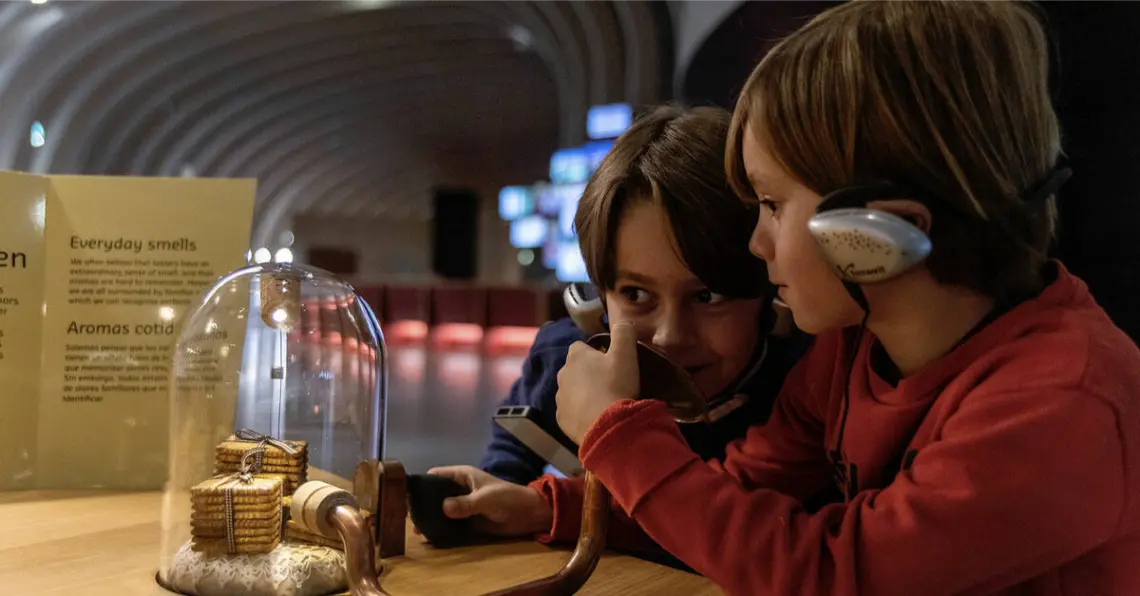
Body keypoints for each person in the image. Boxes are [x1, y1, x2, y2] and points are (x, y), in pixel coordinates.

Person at [446, 1, 1140, 594]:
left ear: (880, 232)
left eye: (773, 205)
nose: (756, 243)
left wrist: (618, 436)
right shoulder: (851, 349)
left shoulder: (1061, 402)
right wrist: (554, 509)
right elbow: (733, 503)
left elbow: (833, 574)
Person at [439, 105, 808, 555]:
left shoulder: (807, 384)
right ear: (596, 304)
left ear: (770, 300)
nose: (670, 336)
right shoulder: (565, 360)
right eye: (636, 294)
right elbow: (507, 468)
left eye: (708, 296)